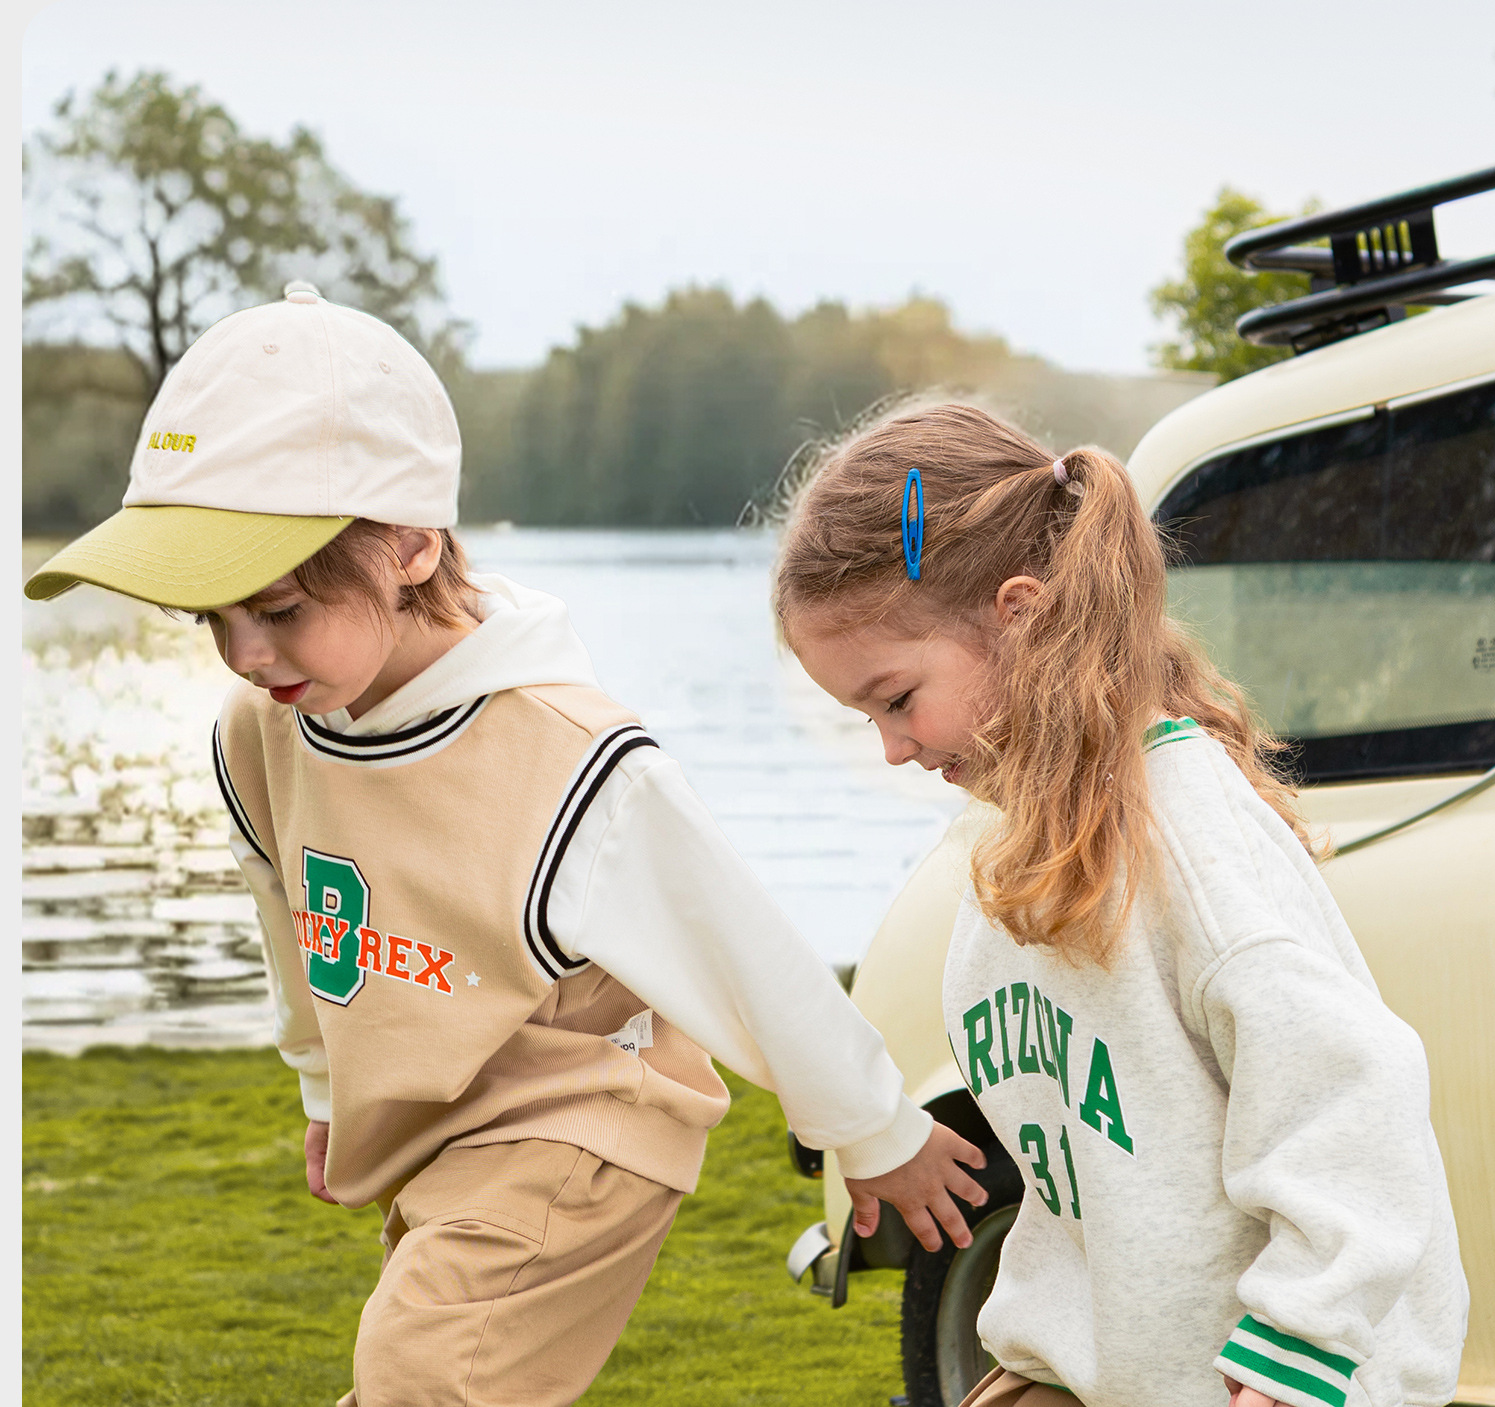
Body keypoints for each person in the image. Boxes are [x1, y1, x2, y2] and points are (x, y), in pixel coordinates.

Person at [23, 287, 989, 1407]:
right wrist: (322, 1088)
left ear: (406, 548)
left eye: (280, 608)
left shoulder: (567, 762)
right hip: (438, 1132)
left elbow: (742, 954)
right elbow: (290, 921)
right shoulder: (263, 733)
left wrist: (873, 1128)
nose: (244, 652)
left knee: (420, 1374)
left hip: (584, 1120)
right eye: (212, 617)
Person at [772, 402, 1469, 1407]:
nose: (892, 748)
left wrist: (1295, 1359)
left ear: (1018, 618)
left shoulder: (1187, 842)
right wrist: (1037, 1357)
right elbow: (1079, 1187)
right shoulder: (1007, 852)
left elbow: (1353, 1107)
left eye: (895, 699)